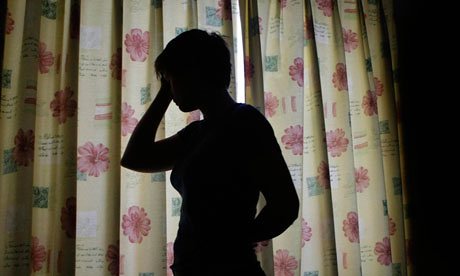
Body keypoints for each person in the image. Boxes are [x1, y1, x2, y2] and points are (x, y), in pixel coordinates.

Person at [121, 29, 299, 276]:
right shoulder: (195, 134)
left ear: (193, 73)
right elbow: (135, 158)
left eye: (171, 78)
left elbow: (286, 204)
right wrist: (165, 93)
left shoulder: (244, 122)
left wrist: (236, 240)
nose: (170, 87)